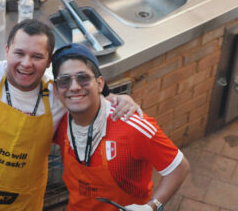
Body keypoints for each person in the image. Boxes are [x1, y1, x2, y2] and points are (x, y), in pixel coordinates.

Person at [0, 0, 141, 210]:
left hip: (21, 204)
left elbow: (89, 91)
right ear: (6, 51)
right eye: (19, 53)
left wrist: (117, 97)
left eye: (36, 56)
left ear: (49, 60)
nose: (26, 63)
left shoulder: (57, 92)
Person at [51, 43, 190, 211]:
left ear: (100, 84)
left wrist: (152, 206)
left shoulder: (132, 126)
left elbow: (179, 167)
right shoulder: (59, 122)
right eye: (65, 80)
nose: (74, 86)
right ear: (56, 90)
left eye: (83, 78)